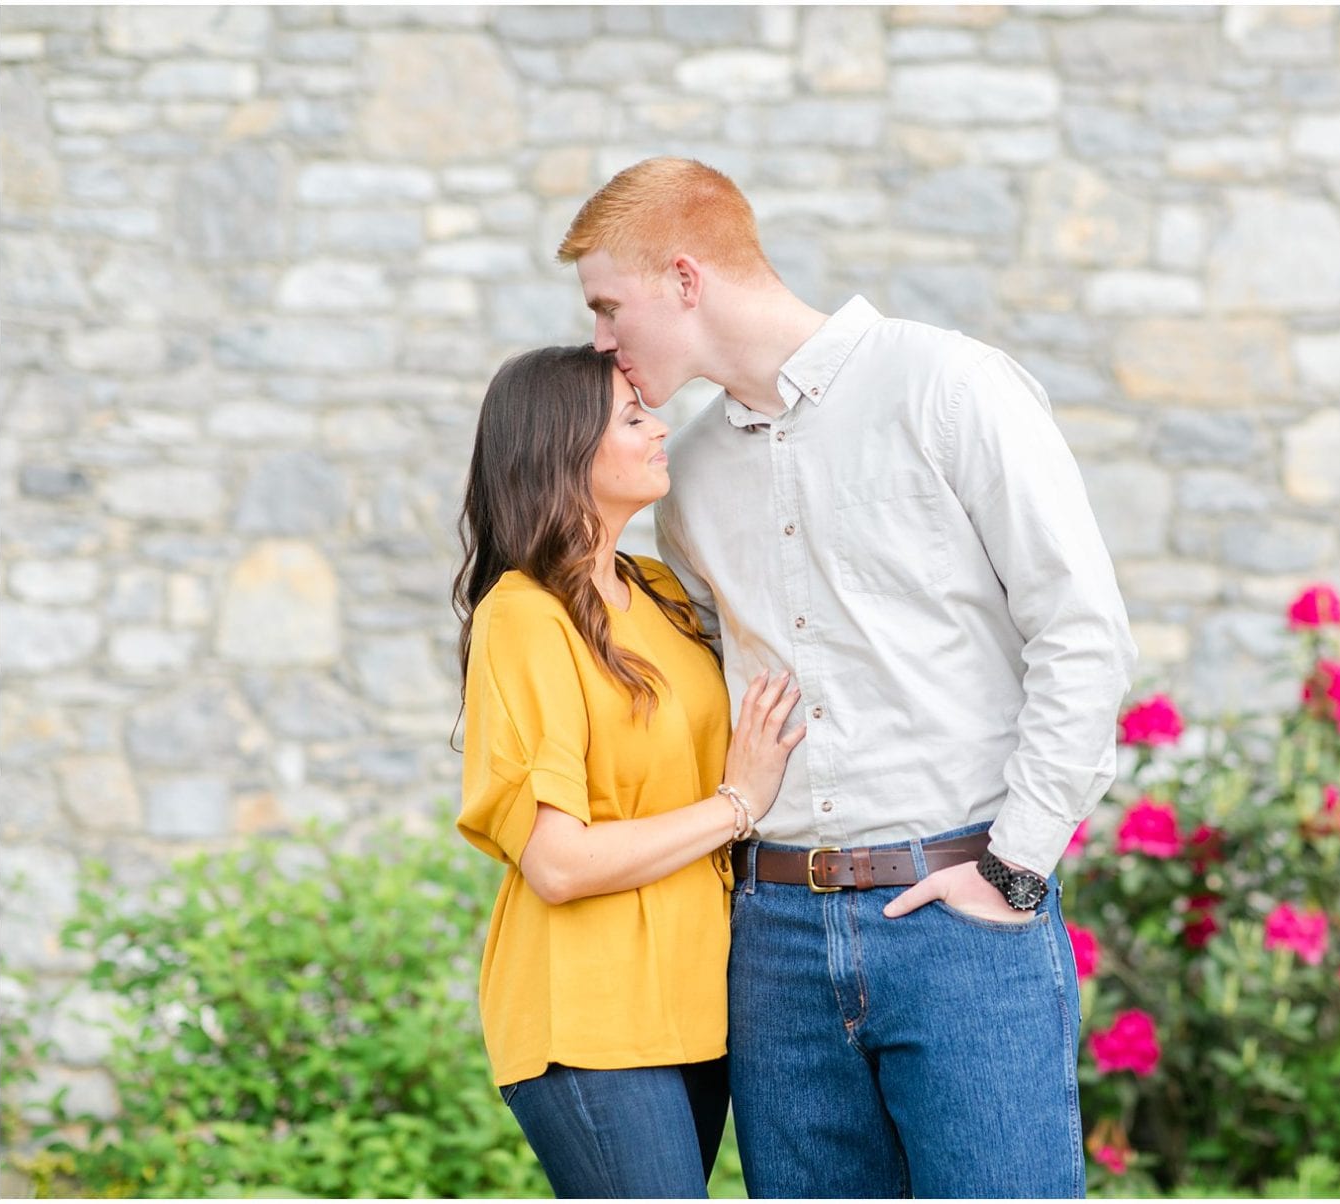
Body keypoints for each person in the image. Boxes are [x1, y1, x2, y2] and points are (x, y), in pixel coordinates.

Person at [555, 158, 1138, 1198]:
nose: (602, 340)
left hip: (958, 918)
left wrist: (1015, 868)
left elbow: (1083, 632)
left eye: (609, 305)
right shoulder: (685, 481)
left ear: (685, 278)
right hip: (773, 940)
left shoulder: (947, 386)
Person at [450, 343, 806, 1198]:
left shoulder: (657, 592)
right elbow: (559, 863)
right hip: (590, 1013)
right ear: (562, 451)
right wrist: (737, 805)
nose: (661, 431)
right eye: (633, 418)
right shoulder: (524, 618)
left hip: (694, 1005)